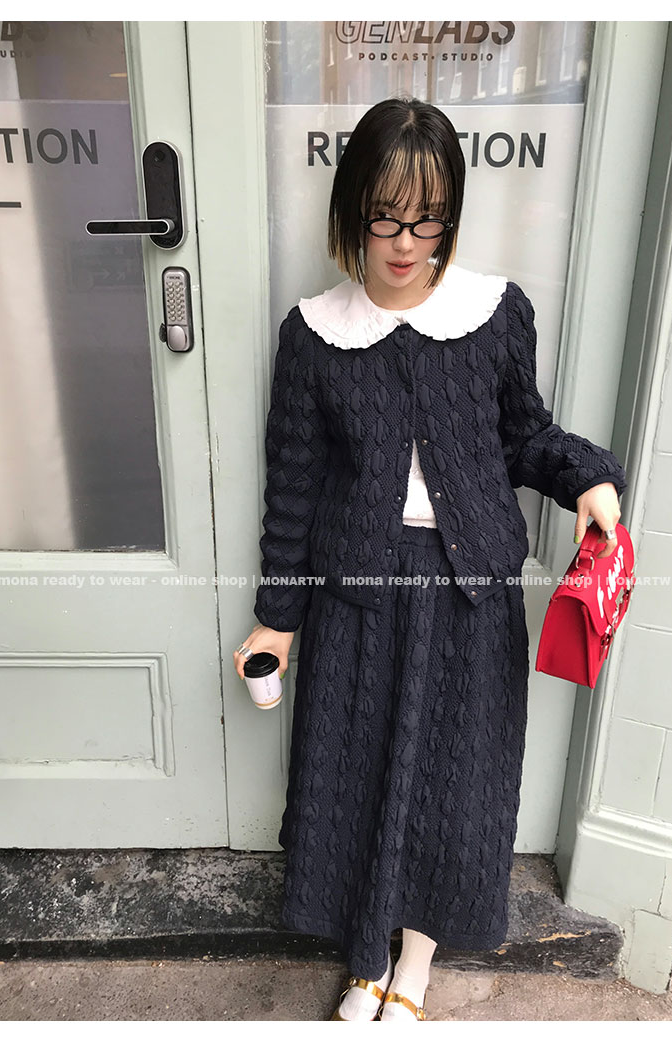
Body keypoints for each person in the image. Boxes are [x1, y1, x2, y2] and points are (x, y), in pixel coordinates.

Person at [233, 96, 627, 1022]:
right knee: (360, 782)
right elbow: (293, 488)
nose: (406, 243)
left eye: (428, 219)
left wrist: (587, 477)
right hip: (358, 598)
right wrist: (277, 619)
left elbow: (524, 436)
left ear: (451, 215)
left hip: (470, 597)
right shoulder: (314, 334)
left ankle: (413, 964)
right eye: (385, 217)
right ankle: (364, 954)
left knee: (451, 788)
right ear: (352, 211)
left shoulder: (495, 314)